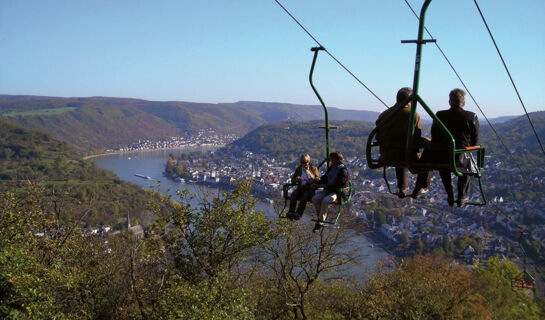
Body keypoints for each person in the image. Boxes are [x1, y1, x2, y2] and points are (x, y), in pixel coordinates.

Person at [375, 87, 431, 199]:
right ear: (411, 101)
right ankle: (422, 187)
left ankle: (403, 187)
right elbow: (416, 139)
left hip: (387, 155)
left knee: (399, 149)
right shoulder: (413, 115)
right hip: (406, 156)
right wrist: (428, 141)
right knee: (427, 154)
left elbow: (378, 136)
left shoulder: (384, 114)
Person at [431, 88, 480, 207]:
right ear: (463, 103)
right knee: (467, 166)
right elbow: (474, 140)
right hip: (460, 158)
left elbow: (434, 134)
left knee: (444, 168)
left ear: (449, 102)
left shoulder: (440, 115)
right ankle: (462, 195)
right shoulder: (471, 117)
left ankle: (450, 193)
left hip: (441, 157)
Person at [311, 151, 350, 232]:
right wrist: (317, 183)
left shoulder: (343, 171)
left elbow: (340, 185)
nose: (330, 161)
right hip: (328, 190)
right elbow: (324, 178)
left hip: (338, 192)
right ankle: (320, 219)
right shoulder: (331, 168)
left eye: (331, 159)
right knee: (315, 198)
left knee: (326, 200)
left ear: (336, 160)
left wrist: (326, 186)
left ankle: (320, 221)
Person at [286, 154, 320, 220]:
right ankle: (291, 212)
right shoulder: (299, 169)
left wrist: (310, 174)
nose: (304, 164)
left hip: (309, 189)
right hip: (301, 188)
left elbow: (318, 179)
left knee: (304, 196)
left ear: (309, 161)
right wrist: (296, 179)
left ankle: (298, 213)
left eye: (305, 162)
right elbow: (292, 180)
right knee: (293, 194)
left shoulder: (313, 169)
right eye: (302, 162)